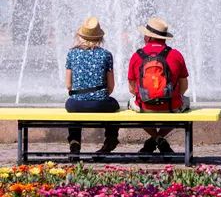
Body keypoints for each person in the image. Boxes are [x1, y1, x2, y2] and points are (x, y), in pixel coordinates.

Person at [127, 17, 190, 157]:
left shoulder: (137, 56)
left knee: (132, 102)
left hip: (144, 107)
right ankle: (160, 137)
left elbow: (132, 89)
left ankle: (154, 138)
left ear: (148, 37)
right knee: (185, 102)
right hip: (171, 107)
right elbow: (183, 87)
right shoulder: (176, 55)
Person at [65, 17, 120, 162]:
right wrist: (98, 95)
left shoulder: (72, 54)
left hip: (75, 103)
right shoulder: (106, 55)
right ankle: (110, 140)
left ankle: (74, 142)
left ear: (80, 35)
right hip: (99, 104)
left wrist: (81, 95)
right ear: (100, 37)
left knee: (72, 106)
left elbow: (69, 85)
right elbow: (111, 86)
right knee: (115, 105)